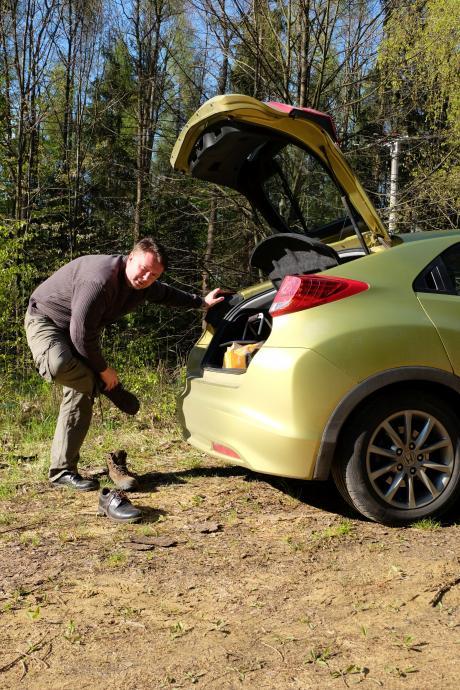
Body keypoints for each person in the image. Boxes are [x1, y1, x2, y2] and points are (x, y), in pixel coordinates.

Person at [24, 237, 224, 492]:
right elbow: (81, 336)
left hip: (77, 330)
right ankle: (106, 386)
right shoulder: (98, 281)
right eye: (143, 269)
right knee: (61, 363)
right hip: (47, 320)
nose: (145, 278)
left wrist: (201, 302)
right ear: (130, 258)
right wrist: (104, 372)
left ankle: (62, 470)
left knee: (81, 391)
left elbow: (165, 294)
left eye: (153, 275)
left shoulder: (144, 284)